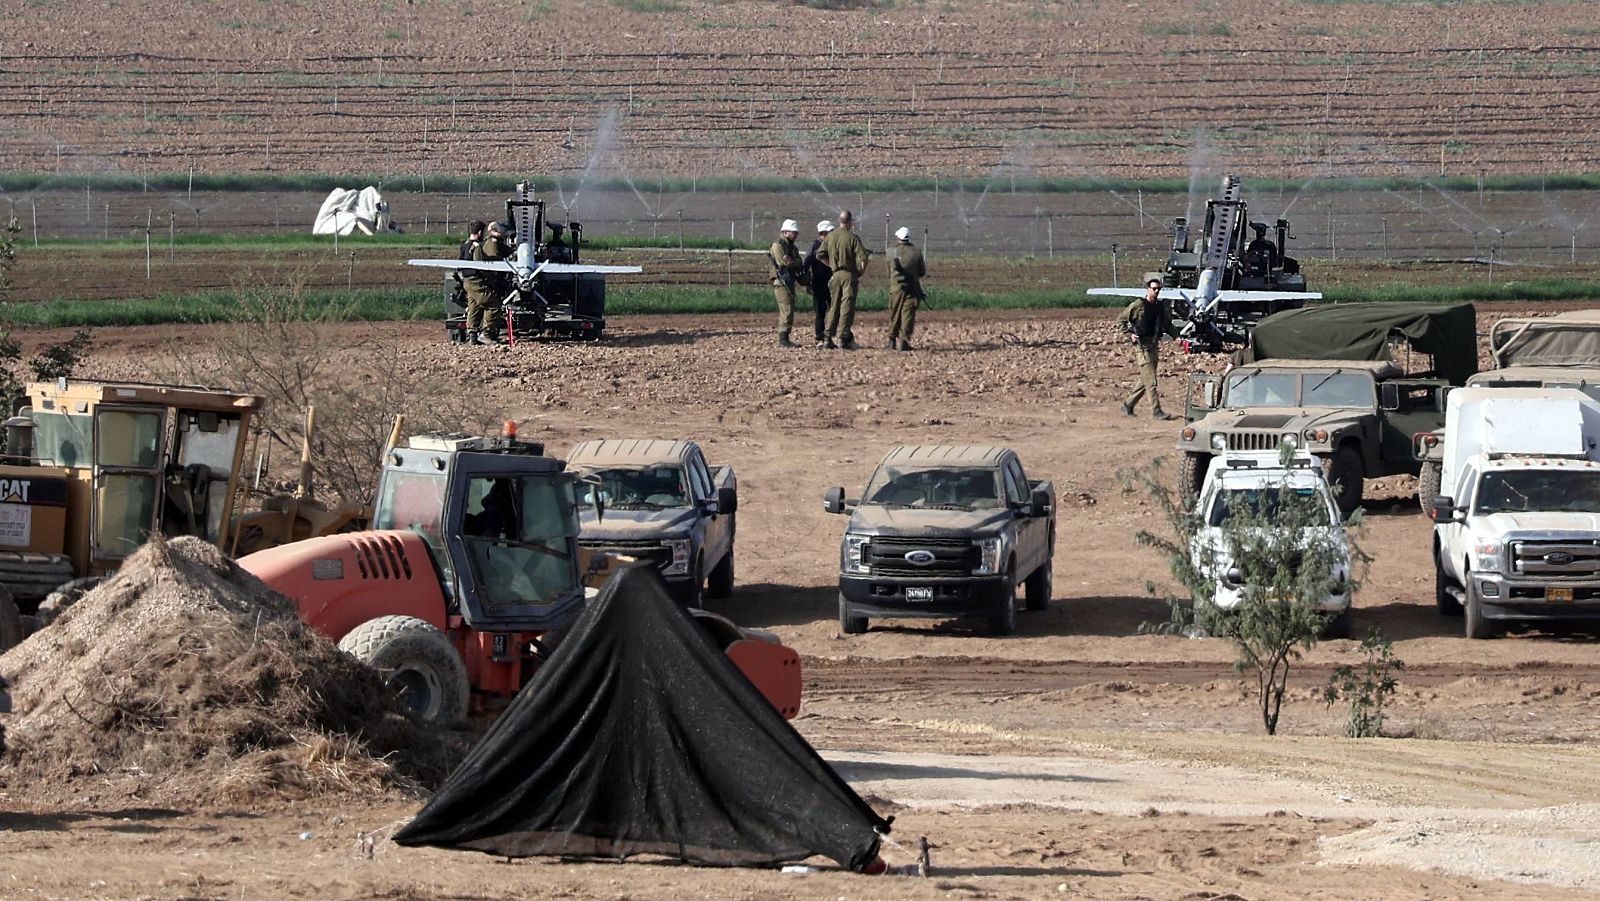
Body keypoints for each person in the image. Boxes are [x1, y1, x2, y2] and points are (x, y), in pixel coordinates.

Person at [1117, 277, 1181, 420]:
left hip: (1153, 346)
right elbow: (1121, 320)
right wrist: (1130, 334)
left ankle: (1128, 404)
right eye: (1154, 289)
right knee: (1151, 382)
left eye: (1159, 289)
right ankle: (1156, 411)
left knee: (1145, 379)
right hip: (1142, 347)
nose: (1156, 291)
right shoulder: (1138, 305)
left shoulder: (1160, 307)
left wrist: (1176, 337)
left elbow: (1168, 325)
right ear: (1148, 289)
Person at [821, 210, 869, 350]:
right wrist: (861, 271)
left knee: (834, 306)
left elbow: (820, 255)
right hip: (849, 275)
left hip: (835, 275)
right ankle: (843, 338)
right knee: (847, 306)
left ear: (839, 220)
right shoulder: (853, 237)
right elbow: (864, 257)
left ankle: (827, 338)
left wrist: (832, 265)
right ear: (850, 222)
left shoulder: (830, 236)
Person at [464, 221, 511, 345]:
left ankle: (472, 336)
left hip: (467, 281)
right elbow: (481, 266)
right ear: (480, 232)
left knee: (474, 306)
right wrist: (491, 278)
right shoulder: (479, 246)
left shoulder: (465, 245)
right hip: (476, 281)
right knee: (493, 304)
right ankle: (487, 334)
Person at [887, 226, 926, 351]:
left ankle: (891, 340)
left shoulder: (890, 252)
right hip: (912, 288)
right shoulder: (917, 252)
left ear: (898, 237)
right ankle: (904, 340)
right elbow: (921, 272)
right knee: (908, 314)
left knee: (895, 313)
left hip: (896, 289)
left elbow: (889, 271)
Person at [769, 219, 806, 347]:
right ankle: (783, 339)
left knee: (789, 308)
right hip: (781, 281)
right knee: (787, 309)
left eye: (796, 233)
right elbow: (784, 263)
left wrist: (793, 261)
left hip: (788, 280)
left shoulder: (791, 247)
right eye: (793, 232)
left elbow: (798, 262)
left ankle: (785, 337)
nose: (796, 235)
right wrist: (793, 262)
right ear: (785, 232)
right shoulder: (778, 245)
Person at [803, 220, 834, 345]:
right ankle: (820, 336)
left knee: (832, 308)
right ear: (823, 233)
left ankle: (829, 335)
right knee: (820, 310)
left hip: (830, 282)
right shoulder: (815, 245)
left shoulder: (830, 245)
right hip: (818, 282)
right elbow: (807, 262)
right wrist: (805, 281)